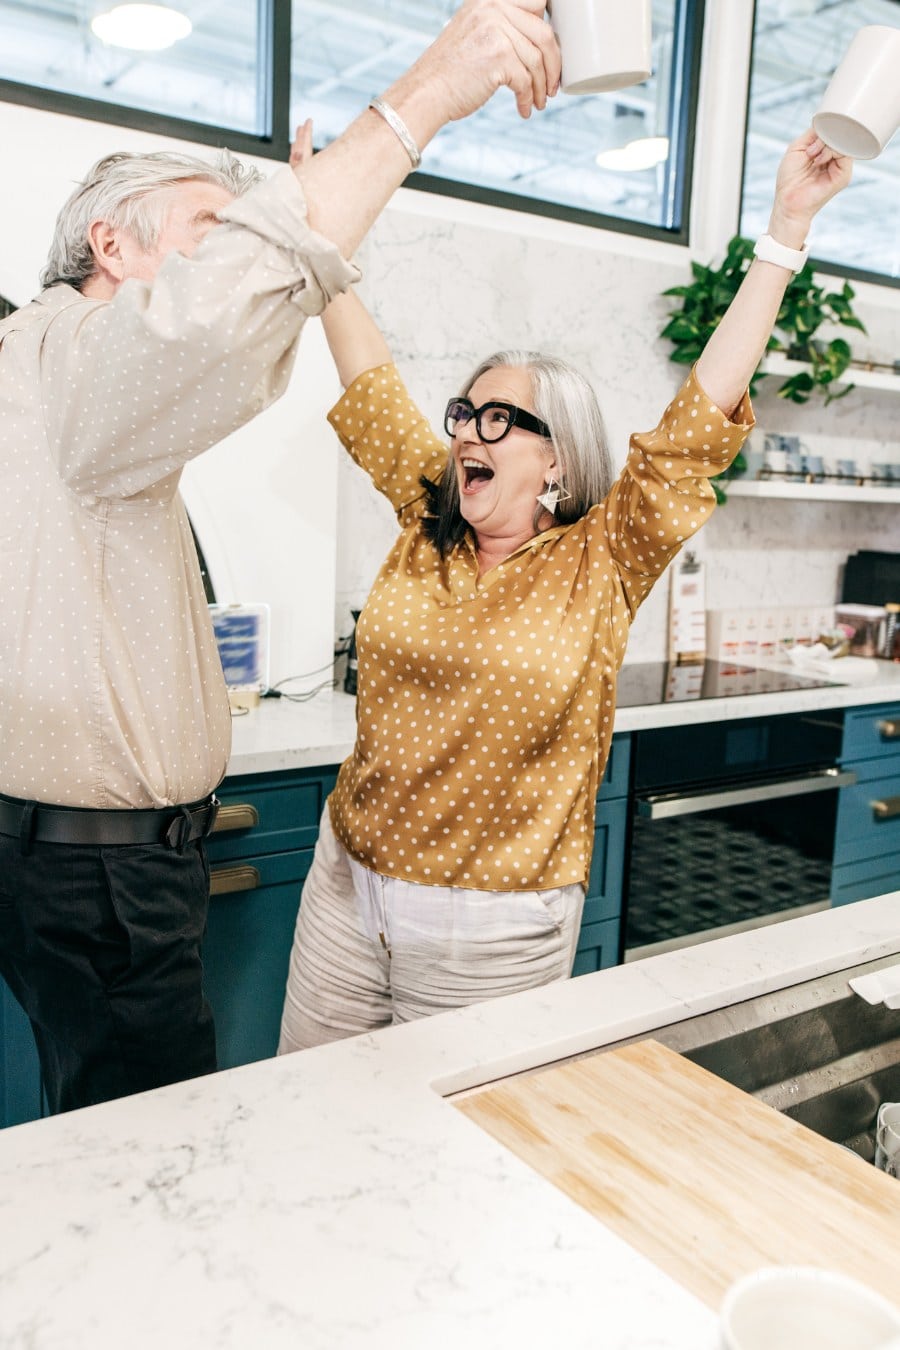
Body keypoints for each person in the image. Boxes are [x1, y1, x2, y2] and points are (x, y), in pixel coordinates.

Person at [0, 0, 562, 1115]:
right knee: (152, 1150)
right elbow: (229, 326)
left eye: (512, 423)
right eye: (209, 226)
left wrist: (319, 239)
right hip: (105, 873)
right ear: (110, 245)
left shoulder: (41, 377)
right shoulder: (72, 373)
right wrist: (428, 94)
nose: (474, 440)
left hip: (79, 865)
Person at [278, 128, 853, 1051]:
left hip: (493, 926)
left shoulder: (604, 557)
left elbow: (698, 418)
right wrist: (320, 229)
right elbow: (370, 376)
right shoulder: (430, 510)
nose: (469, 432)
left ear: (556, 455)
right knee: (307, 1121)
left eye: (500, 419)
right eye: (466, 413)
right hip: (345, 887)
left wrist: (784, 232)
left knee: (452, 1158)